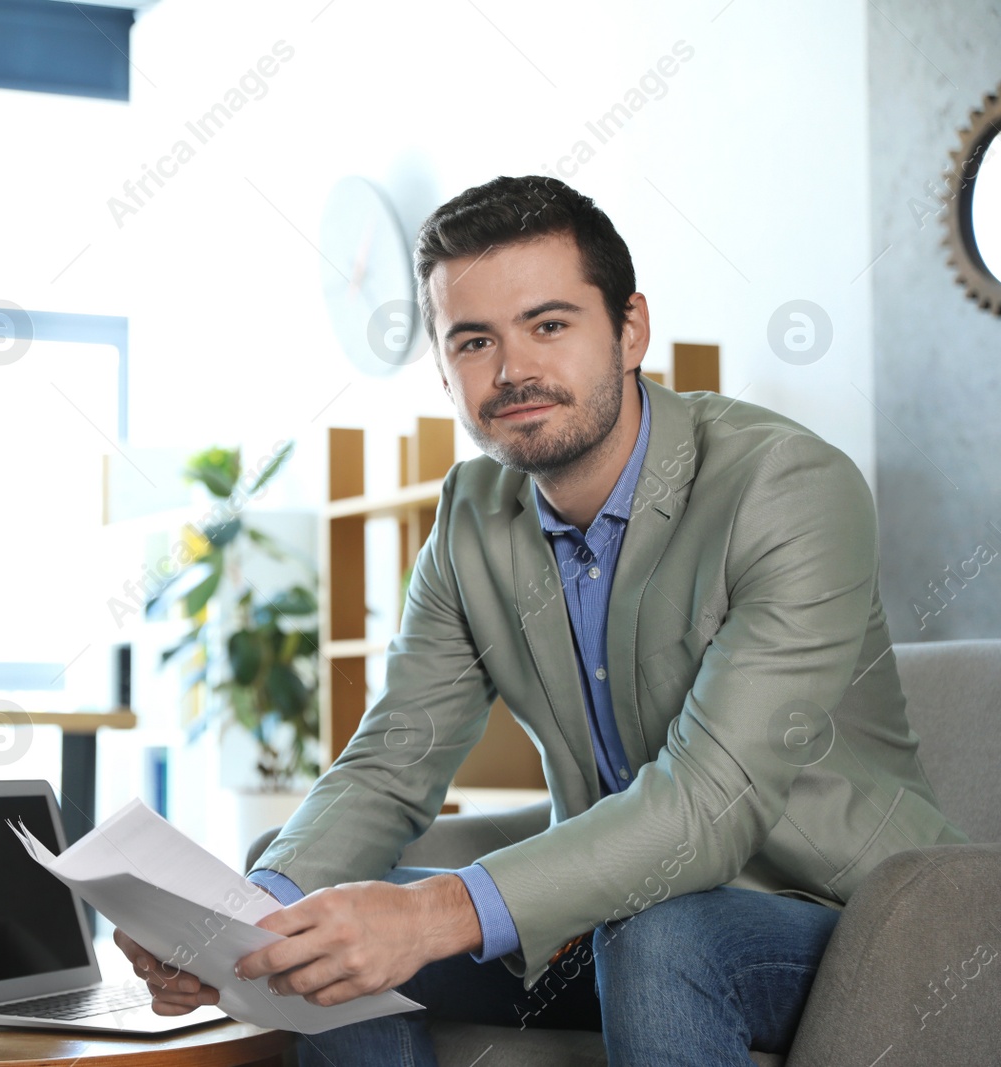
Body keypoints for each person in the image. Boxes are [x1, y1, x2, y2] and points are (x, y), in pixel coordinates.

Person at [112, 174, 968, 1065]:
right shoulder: (472, 517)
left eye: (549, 325)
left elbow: (709, 803)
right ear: (444, 367)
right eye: (475, 340)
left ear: (630, 329)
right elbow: (391, 760)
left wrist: (434, 912)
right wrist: (246, 925)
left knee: (655, 932)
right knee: (326, 941)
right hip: (608, 917)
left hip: (851, 922)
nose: (513, 369)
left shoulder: (787, 487)